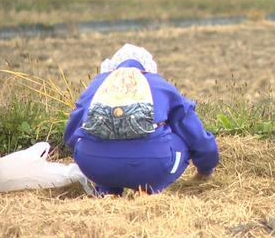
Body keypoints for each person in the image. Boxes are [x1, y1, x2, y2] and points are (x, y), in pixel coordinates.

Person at [64, 44, 219, 196]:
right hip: (150, 165)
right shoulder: (159, 85)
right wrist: (205, 169)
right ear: (148, 67)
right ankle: (148, 189)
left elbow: (71, 134)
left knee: (92, 142)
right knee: (183, 136)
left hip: (94, 165)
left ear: (113, 66)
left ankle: (107, 191)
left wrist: (89, 155)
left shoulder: (97, 84)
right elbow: (196, 136)